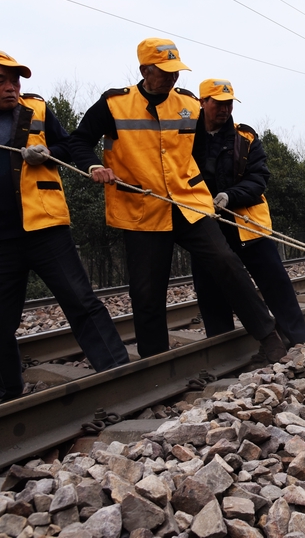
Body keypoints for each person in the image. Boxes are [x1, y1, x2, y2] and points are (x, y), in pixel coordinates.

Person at [0, 48, 129, 408]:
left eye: (15, 80)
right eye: (0, 79)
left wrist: (51, 152)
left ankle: (118, 372)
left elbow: (69, 146)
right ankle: (5, 387)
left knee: (81, 302)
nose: (11, 87)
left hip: (46, 227)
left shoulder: (38, 111)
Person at [68, 38, 285, 361]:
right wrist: (94, 165)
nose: (173, 78)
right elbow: (79, 142)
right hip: (142, 209)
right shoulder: (114, 104)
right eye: (165, 72)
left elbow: (200, 151)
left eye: (176, 72)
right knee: (147, 291)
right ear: (145, 70)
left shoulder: (189, 104)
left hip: (188, 203)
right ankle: (155, 361)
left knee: (226, 264)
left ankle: (270, 337)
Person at [189, 78, 305, 348]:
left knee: (275, 281)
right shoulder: (186, 137)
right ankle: (222, 346)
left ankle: (298, 339)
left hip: (247, 223)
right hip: (204, 225)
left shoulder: (246, 138)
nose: (224, 109)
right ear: (202, 102)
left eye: (228, 103)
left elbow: (259, 179)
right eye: (218, 103)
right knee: (210, 288)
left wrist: (230, 196)